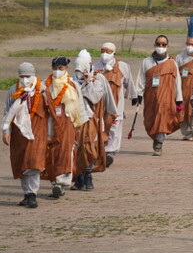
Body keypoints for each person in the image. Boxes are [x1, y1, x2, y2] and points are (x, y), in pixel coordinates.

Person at [0, 62, 46, 207]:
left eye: (28, 76)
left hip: (37, 132)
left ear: (33, 75)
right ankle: (27, 193)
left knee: (33, 162)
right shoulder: (14, 90)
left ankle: (33, 194)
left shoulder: (43, 90)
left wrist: (51, 133)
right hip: (19, 133)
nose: (25, 79)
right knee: (22, 163)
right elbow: (7, 111)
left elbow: (50, 114)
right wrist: (6, 131)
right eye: (22, 76)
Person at [71, 50, 117, 191]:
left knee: (90, 147)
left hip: (93, 120)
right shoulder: (71, 80)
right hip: (76, 121)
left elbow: (97, 97)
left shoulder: (98, 79)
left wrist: (88, 82)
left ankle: (88, 174)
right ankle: (79, 177)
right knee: (78, 149)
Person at [43, 56, 87, 196]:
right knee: (51, 151)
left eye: (60, 68)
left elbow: (79, 106)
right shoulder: (45, 85)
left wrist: (78, 126)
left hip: (68, 122)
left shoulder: (73, 85)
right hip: (50, 122)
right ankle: (54, 181)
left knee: (65, 150)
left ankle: (60, 183)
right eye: (55, 68)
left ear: (66, 68)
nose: (57, 71)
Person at [132, 35, 183, 156]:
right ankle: (155, 137)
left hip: (167, 97)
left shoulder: (172, 63)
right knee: (151, 119)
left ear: (167, 46)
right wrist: (138, 95)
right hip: (151, 97)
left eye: (163, 45)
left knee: (163, 117)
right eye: (158, 44)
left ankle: (159, 141)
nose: (161, 47)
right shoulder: (146, 61)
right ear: (154, 45)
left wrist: (179, 98)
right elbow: (141, 79)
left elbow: (177, 81)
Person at [91, 42, 133, 168]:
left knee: (114, 128)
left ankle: (110, 153)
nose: (105, 54)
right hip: (100, 104)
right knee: (101, 127)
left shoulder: (123, 66)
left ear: (114, 53)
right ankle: (101, 150)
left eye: (108, 51)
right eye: (103, 50)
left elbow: (129, 82)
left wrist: (134, 96)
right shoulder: (95, 67)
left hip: (116, 103)